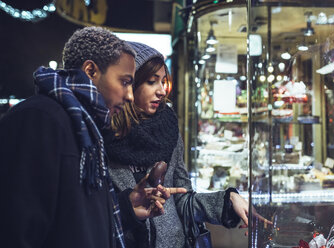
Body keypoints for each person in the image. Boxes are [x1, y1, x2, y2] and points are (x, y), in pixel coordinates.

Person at [0, 27, 181, 248]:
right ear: (90, 71)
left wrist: (126, 207)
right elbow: (16, 229)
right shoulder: (39, 119)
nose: (130, 95)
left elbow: (74, 220)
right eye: (125, 82)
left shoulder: (87, 129)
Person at [105, 42, 272, 247]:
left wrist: (228, 201)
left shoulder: (167, 130)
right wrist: (128, 210)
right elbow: (92, 218)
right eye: (151, 81)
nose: (161, 91)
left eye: (163, 81)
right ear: (130, 84)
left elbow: (182, 199)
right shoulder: (102, 138)